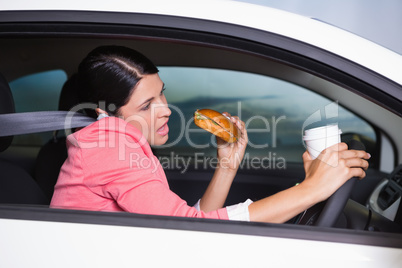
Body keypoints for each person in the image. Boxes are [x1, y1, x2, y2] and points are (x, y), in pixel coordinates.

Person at [50, 45, 370, 223]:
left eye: (162, 93)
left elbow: (186, 224)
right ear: (106, 114)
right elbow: (188, 232)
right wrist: (311, 190)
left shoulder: (117, 143)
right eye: (147, 105)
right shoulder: (107, 148)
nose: (165, 109)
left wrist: (227, 166)